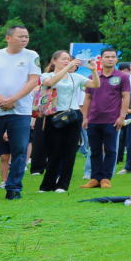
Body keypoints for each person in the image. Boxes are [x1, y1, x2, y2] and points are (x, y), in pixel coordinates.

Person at [37, 51, 98, 193]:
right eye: (63, 59)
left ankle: (62, 185)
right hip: (54, 114)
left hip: (73, 115)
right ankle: (47, 185)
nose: (66, 61)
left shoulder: (75, 77)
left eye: (68, 59)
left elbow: (95, 84)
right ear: (54, 61)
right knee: (53, 150)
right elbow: (50, 83)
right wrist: (68, 67)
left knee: (69, 151)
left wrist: (94, 70)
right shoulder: (47, 75)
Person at [0, 26, 41, 200]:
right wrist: (1, 100)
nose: (24, 39)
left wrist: (13, 99)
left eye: (27, 36)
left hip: (20, 111)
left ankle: (13, 188)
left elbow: (34, 80)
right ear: (8, 38)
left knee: (20, 149)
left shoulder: (31, 55)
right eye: (20, 36)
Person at [79, 47, 130, 189]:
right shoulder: (92, 77)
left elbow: (126, 97)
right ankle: (95, 178)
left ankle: (106, 178)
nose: (110, 59)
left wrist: (122, 116)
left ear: (117, 59)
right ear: (101, 59)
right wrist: (85, 117)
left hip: (112, 120)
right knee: (94, 150)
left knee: (110, 150)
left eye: (113, 57)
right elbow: (88, 98)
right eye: (107, 57)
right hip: (94, 119)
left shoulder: (122, 77)